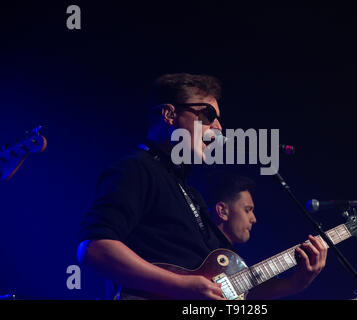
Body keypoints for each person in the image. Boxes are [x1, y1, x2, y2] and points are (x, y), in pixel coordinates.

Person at [77, 72, 326, 300]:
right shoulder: (136, 169)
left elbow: (229, 288)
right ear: (169, 114)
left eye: (218, 119)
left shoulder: (189, 191)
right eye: (208, 115)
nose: (218, 127)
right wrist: (180, 285)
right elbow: (95, 249)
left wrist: (296, 283)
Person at [204, 173, 327, 299]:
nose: (254, 219)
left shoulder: (232, 262)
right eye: (247, 210)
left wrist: (298, 281)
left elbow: (252, 295)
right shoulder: (199, 252)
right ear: (222, 211)